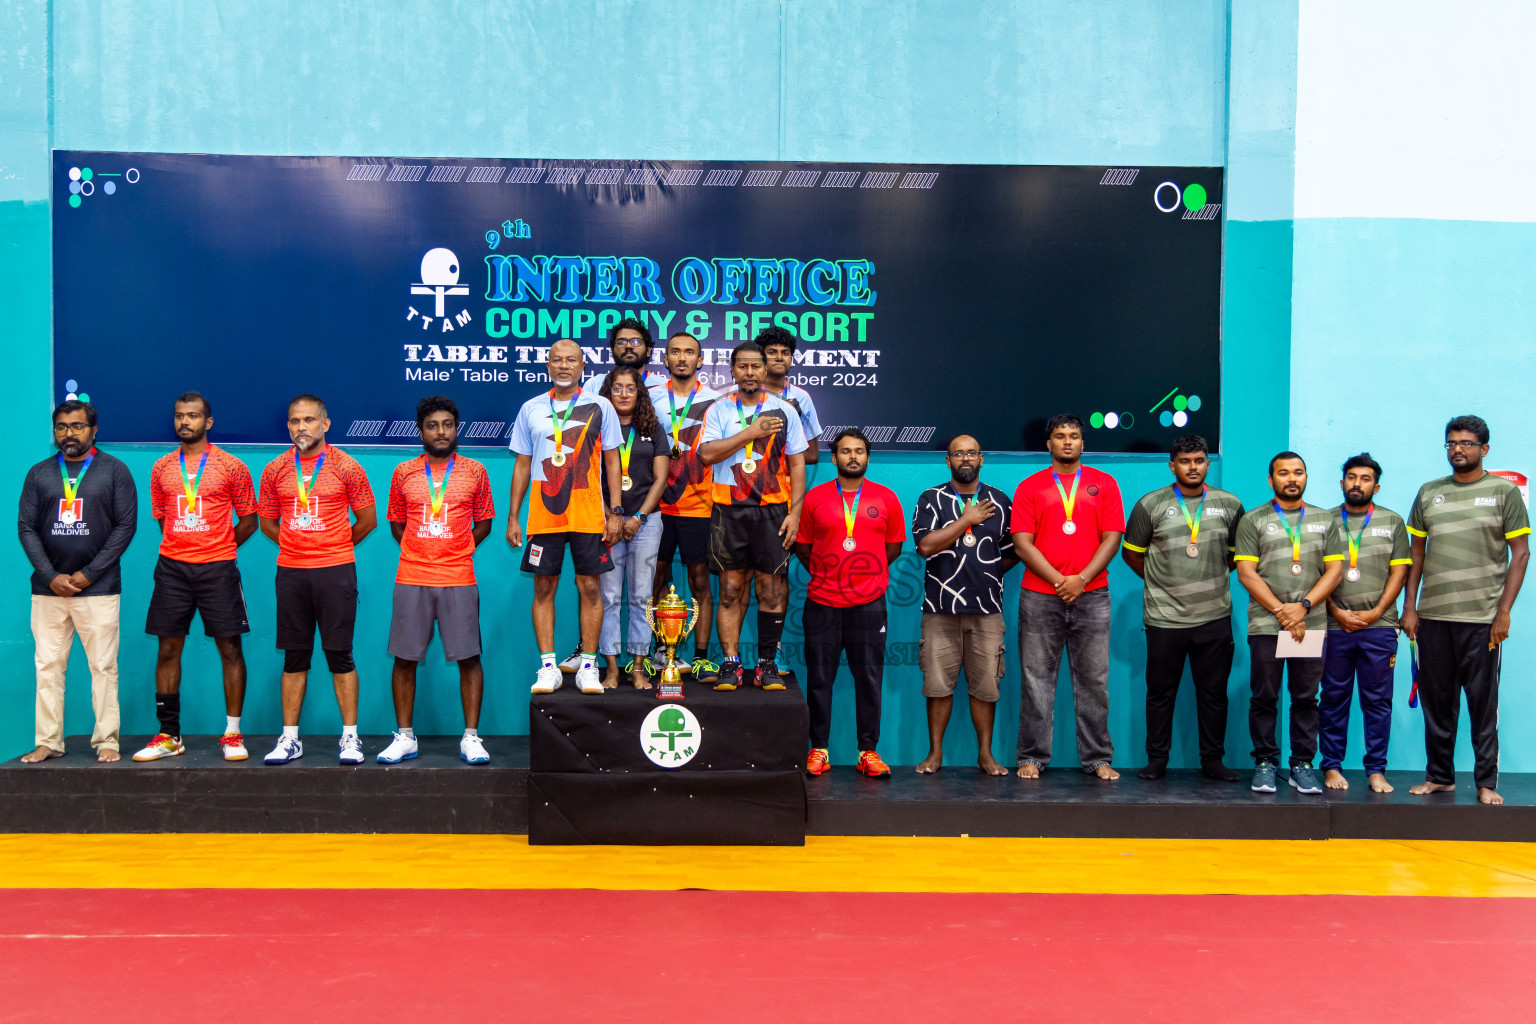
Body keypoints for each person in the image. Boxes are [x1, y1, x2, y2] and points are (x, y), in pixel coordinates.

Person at [1401, 415, 1529, 806]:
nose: (1458, 449)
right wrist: (1410, 607)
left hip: (1482, 620)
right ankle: (1440, 778)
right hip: (1433, 618)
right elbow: (1416, 554)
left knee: (1481, 703)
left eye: (1467, 443)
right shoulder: (1429, 493)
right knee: (1437, 703)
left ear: (1484, 449)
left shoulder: (1503, 493)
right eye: (1452, 443)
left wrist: (1503, 612)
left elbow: (1520, 553)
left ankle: (1486, 782)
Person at [133, 392, 258, 763]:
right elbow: (163, 519)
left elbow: (249, 520)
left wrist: (217, 546)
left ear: (208, 422)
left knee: (230, 649)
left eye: (193, 416)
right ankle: (169, 735)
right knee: (168, 649)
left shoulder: (231, 466)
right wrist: (184, 545)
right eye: (179, 416)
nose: (184, 422)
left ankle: (232, 734)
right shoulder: (160, 468)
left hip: (218, 568)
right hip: (172, 568)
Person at [376, 396, 497, 766]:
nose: (441, 431)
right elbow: (397, 523)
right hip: (412, 576)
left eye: (447, 424)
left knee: (469, 657)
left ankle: (471, 738)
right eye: (433, 425)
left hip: (459, 577)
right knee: (404, 658)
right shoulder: (404, 473)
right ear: (421, 430)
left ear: (456, 429)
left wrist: (455, 549)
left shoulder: (475, 470)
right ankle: (405, 737)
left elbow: (485, 522)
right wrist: (423, 549)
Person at [258, 394, 377, 765]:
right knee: (295, 657)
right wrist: (298, 545)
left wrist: (333, 545)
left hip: (336, 570)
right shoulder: (275, 469)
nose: (301, 427)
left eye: (309, 420)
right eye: (294, 421)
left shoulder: (347, 467)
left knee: (340, 655)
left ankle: (350, 738)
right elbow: (266, 522)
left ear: (325, 424)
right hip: (291, 572)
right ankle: (290, 739)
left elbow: (368, 520)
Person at [18, 400, 137, 763]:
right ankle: (49, 742)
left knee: (103, 667)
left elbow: (124, 527)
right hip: (48, 591)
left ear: (93, 431)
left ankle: (107, 741)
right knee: (48, 667)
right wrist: (51, 577)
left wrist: (88, 574)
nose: (68, 434)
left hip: (98, 590)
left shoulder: (115, 471)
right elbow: (26, 528)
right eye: (61, 427)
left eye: (77, 426)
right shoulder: (39, 474)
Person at [1121, 434, 1245, 782]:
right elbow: (1131, 553)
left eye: (1200, 460)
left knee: (1214, 695)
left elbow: (1238, 556)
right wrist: (1162, 583)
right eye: (1185, 461)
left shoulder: (1230, 505)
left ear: (1208, 463)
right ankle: (1157, 759)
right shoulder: (1151, 504)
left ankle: (1213, 762)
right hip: (1164, 618)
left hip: (1214, 616)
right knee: (1160, 694)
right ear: (1172, 465)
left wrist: (1211, 577)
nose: (1193, 467)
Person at [1010, 414, 1125, 780]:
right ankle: (1032, 756)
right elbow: (1022, 544)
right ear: (1049, 444)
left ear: (1083, 443)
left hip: (1093, 595)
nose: (1067, 442)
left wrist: (1082, 579)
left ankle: (1097, 758)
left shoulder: (1104, 484)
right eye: (1060, 436)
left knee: (1094, 680)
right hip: (1039, 596)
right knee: (1035, 679)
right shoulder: (1030, 487)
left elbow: (1112, 538)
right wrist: (1062, 580)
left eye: (1074, 436)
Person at [508, 339, 624, 695]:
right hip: (545, 516)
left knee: (590, 587)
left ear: (582, 367)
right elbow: (523, 464)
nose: (563, 366)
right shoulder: (531, 408)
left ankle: (588, 665)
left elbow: (612, 461)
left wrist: (616, 511)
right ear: (547, 365)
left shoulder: (600, 405)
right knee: (544, 587)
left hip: (589, 515)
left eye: (571, 360)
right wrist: (513, 516)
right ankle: (548, 669)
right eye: (556, 360)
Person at [794, 429, 905, 776]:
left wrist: (866, 578)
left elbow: (894, 548)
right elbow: (803, 546)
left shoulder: (886, 498)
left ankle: (868, 752)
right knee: (819, 678)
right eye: (845, 451)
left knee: (869, 678)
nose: (853, 457)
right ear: (834, 458)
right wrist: (828, 575)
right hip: (822, 602)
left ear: (867, 458)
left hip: (869, 604)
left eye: (859, 451)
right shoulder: (814, 498)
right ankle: (819, 750)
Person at [698, 340, 807, 691]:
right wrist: (751, 432)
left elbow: (798, 463)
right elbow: (707, 455)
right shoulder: (717, 409)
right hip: (728, 510)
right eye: (742, 366)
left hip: (773, 511)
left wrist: (795, 513)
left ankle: (766, 664)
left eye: (755, 366)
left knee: (771, 590)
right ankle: (731, 664)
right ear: (732, 371)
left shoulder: (784, 410)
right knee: (730, 589)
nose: (749, 372)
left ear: (764, 370)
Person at [1233, 451, 1345, 794]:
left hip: (1311, 624)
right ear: (1271, 480)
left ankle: (1302, 765)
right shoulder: (1253, 520)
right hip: (1267, 625)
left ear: (1306, 478)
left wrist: (1304, 607)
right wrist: (1284, 611)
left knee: (1306, 697)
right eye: (1284, 473)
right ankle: (1265, 762)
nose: (1291, 478)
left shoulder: (1326, 520)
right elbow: (1246, 574)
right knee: (1264, 696)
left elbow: (1335, 571)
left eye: (1298, 472)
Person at [911, 434, 1017, 776]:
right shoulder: (932, 498)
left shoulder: (1000, 501)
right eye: (958, 454)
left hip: (987, 610)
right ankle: (935, 754)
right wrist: (965, 520)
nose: (965, 459)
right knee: (938, 686)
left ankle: (985, 755)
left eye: (971, 453)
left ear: (981, 459)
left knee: (987, 686)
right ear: (948, 461)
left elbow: (1014, 548)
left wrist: (985, 571)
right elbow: (925, 546)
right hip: (940, 609)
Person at [1319, 453, 1412, 793]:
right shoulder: (1323, 521)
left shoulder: (1392, 521)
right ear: (1342, 481)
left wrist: (1376, 613)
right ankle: (1330, 767)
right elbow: (1316, 575)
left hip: (1380, 627)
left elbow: (1400, 572)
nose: (1357, 484)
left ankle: (1376, 770)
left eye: (1365, 478)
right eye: (1352, 477)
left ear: (1376, 485)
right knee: (1333, 698)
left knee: (1377, 701)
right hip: (1333, 627)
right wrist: (1336, 612)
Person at [647, 331, 723, 683]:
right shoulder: (649, 398)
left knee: (699, 582)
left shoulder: (716, 400)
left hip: (700, 505)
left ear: (700, 360)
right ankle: (663, 651)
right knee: (655, 578)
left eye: (689, 352)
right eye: (675, 351)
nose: (681, 357)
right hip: (655, 506)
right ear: (665, 359)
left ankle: (703, 657)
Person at [597, 367, 669, 688]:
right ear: (607, 392)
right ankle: (612, 667)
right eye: (617, 388)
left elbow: (661, 479)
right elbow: (589, 480)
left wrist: (638, 517)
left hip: (646, 523)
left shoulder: (652, 429)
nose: (624, 394)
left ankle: (638, 667)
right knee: (609, 596)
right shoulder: (596, 428)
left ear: (639, 393)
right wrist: (609, 516)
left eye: (630, 388)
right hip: (605, 522)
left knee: (641, 597)